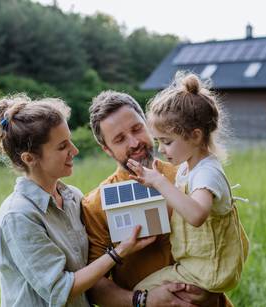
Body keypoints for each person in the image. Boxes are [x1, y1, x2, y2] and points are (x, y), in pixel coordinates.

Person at [0, 94, 154, 307]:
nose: (74, 151)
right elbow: (60, 290)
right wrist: (119, 252)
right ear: (30, 158)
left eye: (70, 141)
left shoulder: (74, 197)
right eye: (62, 147)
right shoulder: (19, 215)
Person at [82, 90, 232, 306]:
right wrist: (144, 299)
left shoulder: (188, 172)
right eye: (120, 139)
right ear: (107, 149)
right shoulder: (95, 205)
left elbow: (223, 236)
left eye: (137, 129)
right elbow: (94, 285)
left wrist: (211, 291)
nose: (134, 143)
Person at [127, 73, 249, 297]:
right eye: (159, 142)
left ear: (195, 136)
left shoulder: (206, 173)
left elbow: (196, 215)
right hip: (196, 266)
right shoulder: (188, 167)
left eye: (167, 142)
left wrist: (160, 181)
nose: (162, 149)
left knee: (140, 292)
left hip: (208, 271)